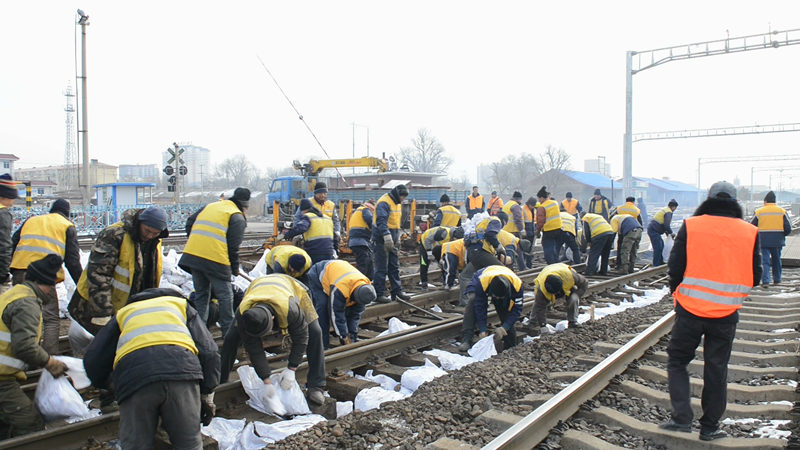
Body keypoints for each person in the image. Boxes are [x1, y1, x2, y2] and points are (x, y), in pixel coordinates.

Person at [660, 181, 761, 441]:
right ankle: (709, 428)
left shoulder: (692, 226)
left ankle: (682, 419)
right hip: (726, 314)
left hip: (690, 311)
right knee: (716, 369)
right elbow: (757, 276)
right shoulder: (749, 232)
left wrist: (678, 294)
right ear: (734, 201)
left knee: (677, 361)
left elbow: (676, 266)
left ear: (709, 199)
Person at [83, 288, 220, 449]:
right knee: (189, 444)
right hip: (181, 373)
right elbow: (210, 353)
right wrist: (206, 394)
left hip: (134, 378)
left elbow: (92, 360)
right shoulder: (180, 305)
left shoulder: (124, 313)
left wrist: (112, 385)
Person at [219, 274, 327, 405]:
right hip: (258, 289)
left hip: (294, 288)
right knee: (231, 338)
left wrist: (292, 368)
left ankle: (316, 385)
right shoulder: (244, 313)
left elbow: (301, 338)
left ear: (272, 319)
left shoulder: (291, 309)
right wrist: (266, 380)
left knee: (315, 331)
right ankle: (221, 381)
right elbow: (254, 349)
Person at [69, 206, 169, 336]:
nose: (150, 236)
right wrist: (103, 314)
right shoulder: (114, 235)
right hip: (96, 306)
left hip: (128, 308)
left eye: (155, 233)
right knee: (103, 347)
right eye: (147, 231)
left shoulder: (155, 240)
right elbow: (99, 275)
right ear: (139, 222)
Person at [0, 255, 69, 437]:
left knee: (6, 424)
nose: (52, 291)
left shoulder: (15, 294)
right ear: (43, 282)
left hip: (4, 376)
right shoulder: (27, 303)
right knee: (29, 422)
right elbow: (24, 346)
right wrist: (50, 363)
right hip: (1, 380)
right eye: (51, 285)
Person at [10, 199, 82, 354]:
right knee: (50, 319)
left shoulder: (31, 220)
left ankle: (23, 356)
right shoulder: (66, 225)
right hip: (43, 279)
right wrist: (83, 286)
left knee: (23, 316)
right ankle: (50, 357)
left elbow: (13, 242)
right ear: (67, 214)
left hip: (19, 271)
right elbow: (73, 262)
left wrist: (13, 269)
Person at [180, 187, 249, 337]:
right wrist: (235, 268)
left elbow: (190, 222)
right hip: (215, 259)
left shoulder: (212, 206)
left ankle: (199, 332)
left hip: (194, 256)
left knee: (201, 294)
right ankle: (228, 333)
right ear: (244, 206)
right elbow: (233, 248)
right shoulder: (236, 217)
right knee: (226, 296)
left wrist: (196, 242)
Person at [307, 260, 376, 348]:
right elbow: (336, 314)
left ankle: (351, 336)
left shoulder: (366, 289)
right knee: (323, 307)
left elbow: (355, 315)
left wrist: (351, 335)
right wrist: (343, 336)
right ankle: (322, 344)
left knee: (350, 310)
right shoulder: (340, 289)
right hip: (318, 274)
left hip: (337, 273)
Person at [458, 265, 523, 352]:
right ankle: (466, 339)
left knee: (505, 310)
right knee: (473, 301)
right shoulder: (481, 283)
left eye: (500, 297)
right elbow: (480, 307)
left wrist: (504, 327)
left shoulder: (517, 286)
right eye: (495, 296)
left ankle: (510, 344)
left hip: (503, 281)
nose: (497, 298)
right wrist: (482, 329)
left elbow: (517, 310)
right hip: (482, 278)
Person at [372, 184, 412, 304]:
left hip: (392, 238)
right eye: (402, 197)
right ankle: (378, 294)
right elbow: (381, 221)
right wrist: (386, 236)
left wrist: (397, 236)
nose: (403, 200)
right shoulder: (384, 202)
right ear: (397, 194)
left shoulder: (396, 203)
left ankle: (397, 292)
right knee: (381, 267)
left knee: (394, 267)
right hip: (381, 240)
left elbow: (395, 222)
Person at [460, 215, 505, 305]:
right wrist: (498, 247)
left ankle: (466, 302)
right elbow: (490, 234)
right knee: (502, 271)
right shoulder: (496, 220)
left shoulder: (483, 222)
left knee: (466, 276)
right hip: (480, 252)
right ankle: (501, 299)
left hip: (472, 252)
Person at [530, 262, 588, 332]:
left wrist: (577, 295)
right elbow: (540, 307)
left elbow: (584, 283)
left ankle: (573, 321)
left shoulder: (570, 277)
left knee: (573, 297)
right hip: (547, 271)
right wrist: (543, 325)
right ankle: (533, 321)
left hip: (563, 270)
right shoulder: (541, 289)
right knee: (539, 302)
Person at [751, 191, 791, 285]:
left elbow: (751, 226)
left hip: (763, 240)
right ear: (774, 201)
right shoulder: (782, 211)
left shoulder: (759, 212)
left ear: (765, 201)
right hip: (777, 240)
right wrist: (782, 235)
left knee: (765, 261)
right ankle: (777, 279)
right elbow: (788, 227)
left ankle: (766, 281)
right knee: (776, 260)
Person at [285, 198, 335, 264]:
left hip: (315, 251)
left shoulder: (307, 217)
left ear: (303, 210)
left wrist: (287, 235)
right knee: (326, 271)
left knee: (314, 272)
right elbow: (335, 236)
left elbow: (301, 228)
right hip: (329, 252)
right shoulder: (327, 218)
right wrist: (335, 250)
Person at [295, 181, 342, 252]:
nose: (323, 195)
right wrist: (298, 234)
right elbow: (297, 218)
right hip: (311, 240)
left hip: (327, 239)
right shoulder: (307, 203)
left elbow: (335, 220)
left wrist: (337, 232)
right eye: (320, 193)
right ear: (315, 193)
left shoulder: (331, 205)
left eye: (325, 193)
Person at [348, 199, 375, 280]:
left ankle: (369, 282)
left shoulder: (357, 211)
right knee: (364, 264)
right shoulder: (365, 210)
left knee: (369, 262)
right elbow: (371, 222)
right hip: (361, 241)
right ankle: (361, 284)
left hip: (357, 242)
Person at [0, 174, 18, 295]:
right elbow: (4, 247)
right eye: (12, 198)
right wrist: (3, 275)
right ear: (5, 197)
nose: (12, 203)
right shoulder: (3, 214)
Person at [536, 186, 563, 264]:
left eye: (539, 199)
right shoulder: (555, 203)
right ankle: (556, 263)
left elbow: (540, 222)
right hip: (558, 229)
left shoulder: (542, 207)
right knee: (554, 249)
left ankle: (551, 265)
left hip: (549, 230)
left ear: (542, 197)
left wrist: (538, 231)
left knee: (548, 249)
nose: (539, 200)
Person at [647, 199, 678, 267]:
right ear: (674, 207)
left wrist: (668, 235)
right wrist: (671, 233)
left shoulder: (665, 209)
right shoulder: (668, 212)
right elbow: (666, 225)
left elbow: (664, 225)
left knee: (661, 245)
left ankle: (660, 262)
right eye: (675, 208)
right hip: (653, 230)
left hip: (653, 229)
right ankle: (656, 265)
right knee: (658, 247)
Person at [522, 197, 537, 269]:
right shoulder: (523, 209)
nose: (533, 207)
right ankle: (524, 265)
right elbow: (522, 221)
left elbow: (535, 221)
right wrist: (523, 231)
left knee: (530, 250)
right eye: (532, 205)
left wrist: (537, 230)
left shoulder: (534, 210)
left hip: (532, 232)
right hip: (526, 233)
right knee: (525, 250)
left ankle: (529, 264)